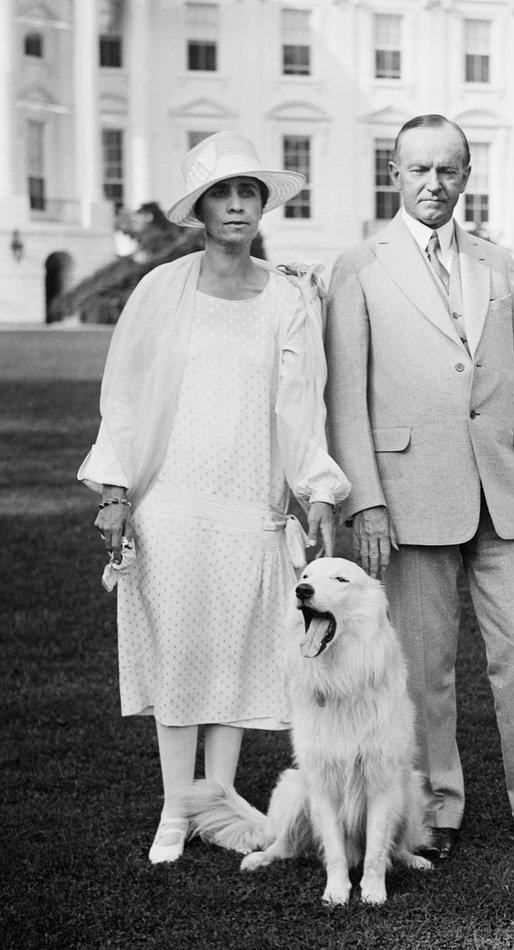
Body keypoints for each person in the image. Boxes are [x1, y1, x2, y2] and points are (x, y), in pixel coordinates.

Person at [324, 115, 514, 862]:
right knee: (425, 665)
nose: (433, 184)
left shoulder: (497, 265)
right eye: (419, 170)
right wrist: (367, 500)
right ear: (394, 175)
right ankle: (437, 809)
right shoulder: (357, 268)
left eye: (448, 170)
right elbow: (344, 400)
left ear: (466, 176)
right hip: (408, 492)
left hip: (505, 488)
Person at [79, 132, 349, 864]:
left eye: (248, 193)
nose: (236, 206)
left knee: (234, 659)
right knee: (179, 658)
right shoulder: (161, 289)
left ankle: (218, 806)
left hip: (249, 503)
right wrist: (117, 491)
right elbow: (126, 398)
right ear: (199, 209)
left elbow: (303, 406)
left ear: (263, 205)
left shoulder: (289, 294)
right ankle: (175, 809)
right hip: (171, 501)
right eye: (222, 194)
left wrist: (316, 490)